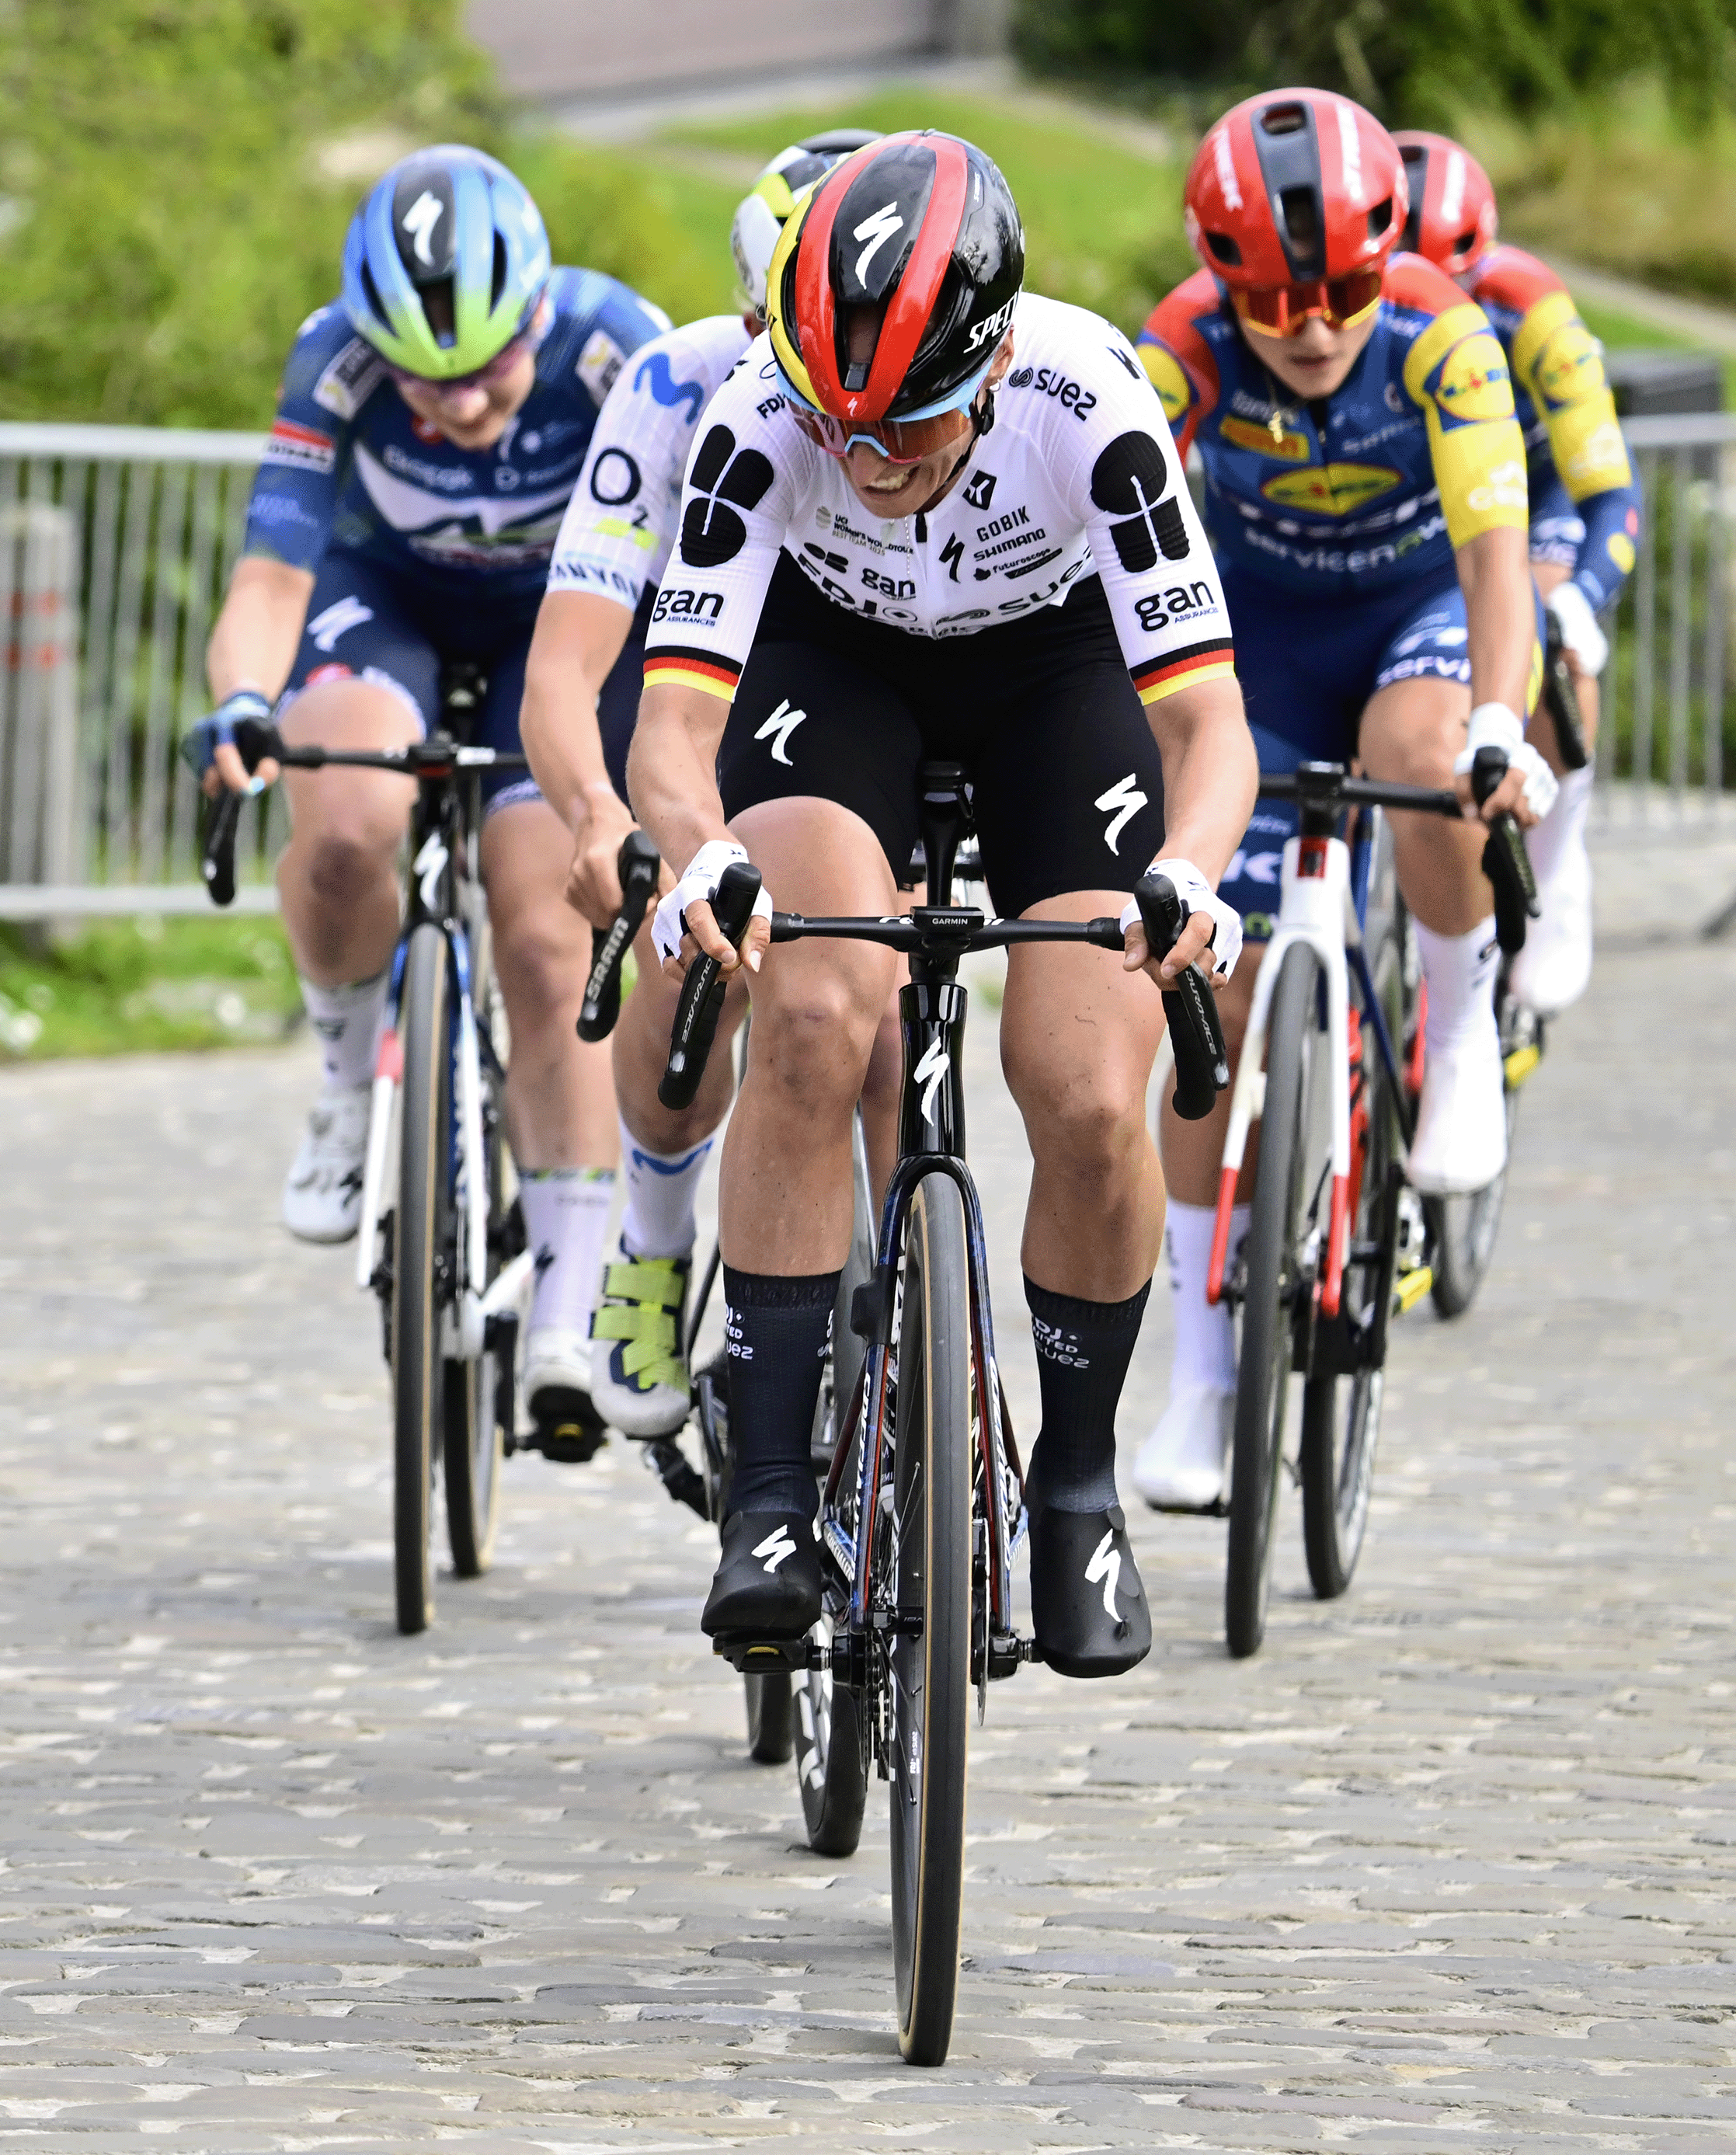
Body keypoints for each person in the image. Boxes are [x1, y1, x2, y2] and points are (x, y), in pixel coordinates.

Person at [625, 131, 1258, 1677]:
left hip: (1051, 673)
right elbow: (666, 729)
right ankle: (769, 1490)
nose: (865, 460)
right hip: (833, 669)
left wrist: (1191, 868)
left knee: (1086, 1085)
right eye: (838, 425)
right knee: (819, 1004)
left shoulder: (1089, 405)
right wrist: (697, 848)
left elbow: (1206, 728)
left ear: (984, 368)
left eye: (906, 426)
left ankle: (1076, 1480)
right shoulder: (762, 415)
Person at [186, 145, 670, 1439]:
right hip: (386, 597)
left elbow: (691, 573)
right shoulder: (331, 357)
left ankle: (571, 1282)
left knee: (538, 923)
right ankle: (350, 1082)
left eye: (485, 372)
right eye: (424, 378)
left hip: (561, 625)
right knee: (340, 815)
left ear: (533, 317)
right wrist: (241, 697)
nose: (457, 405)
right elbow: (272, 580)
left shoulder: (616, 343)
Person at [1129, 91, 1557, 1511]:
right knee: (1216, 994)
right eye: (1272, 303)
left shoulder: (1443, 338)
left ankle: (1450, 1029)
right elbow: (1106, 564)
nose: (1312, 332)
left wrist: (1502, 718)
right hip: (1255, 648)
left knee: (1431, 746)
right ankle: (1199, 1372)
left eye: (1341, 298)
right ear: (1217, 278)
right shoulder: (1177, 351)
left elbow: (1500, 565)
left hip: (1413, 617)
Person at [522, 130, 875, 1444]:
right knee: (681, 943)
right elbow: (565, 667)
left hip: (860, 689)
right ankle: (655, 1237)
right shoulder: (671, 386)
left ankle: (921, 1323)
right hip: (694, 681)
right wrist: (595, 813)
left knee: (881, 995)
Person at [1396, 127, 1637, 1013]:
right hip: (1422, 512)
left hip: (1535, 503)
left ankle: (1560, 860)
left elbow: (1611, 489)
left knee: (1540, 621)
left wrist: (1583, 596)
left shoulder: (1533, 309)